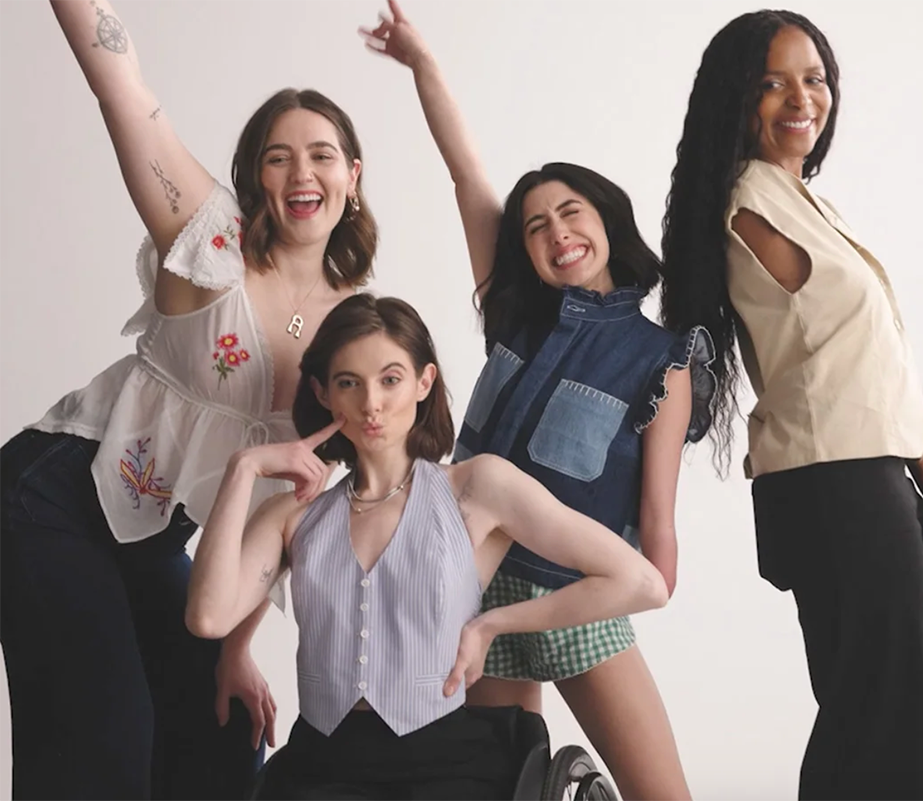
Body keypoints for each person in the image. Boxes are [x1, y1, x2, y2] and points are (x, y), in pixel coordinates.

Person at [0, 1, 376, 798]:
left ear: (353, 174)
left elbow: (294, 507)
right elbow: (120, 83)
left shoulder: (356, 331)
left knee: (224, 733)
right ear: (253, 177)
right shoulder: (208, 237)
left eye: (321, 155)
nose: (301, 174)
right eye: (277, 158)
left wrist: (239, 644)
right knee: (103, 741)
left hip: (150, 535)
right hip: (55, 496)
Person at [359, 4, 714, 800]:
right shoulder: (514, 316)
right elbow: (466, 174)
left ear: (606, 221)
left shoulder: (662, 358)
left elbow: (657, 533)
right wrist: (423, 65)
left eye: (570, 213)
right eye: (534, 227)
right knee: (498, 786)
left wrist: (621, 588)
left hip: (567, 595)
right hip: (471, 582)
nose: (555, 234)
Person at [659, 10, 923, 800]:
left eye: (813, 78)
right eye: (771, 82)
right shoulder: (747, 203)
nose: (800, 98)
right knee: (878, 729)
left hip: (879, 484)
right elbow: (870, 378)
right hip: (837, 489)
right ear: (736, 99)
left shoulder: (805, 202)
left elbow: (887, 370)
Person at [185, 293, 668, 801]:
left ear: (424, 382)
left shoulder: (476, 489)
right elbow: (208, 618)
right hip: (320, 766)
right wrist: (244, 469)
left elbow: (641, 583)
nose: (371, 403)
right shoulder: (291, 517)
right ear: (323, 393)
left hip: (446, 765)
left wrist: (492, 624)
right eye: (349, 383)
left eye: (390, 380)